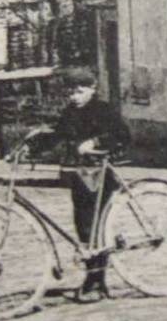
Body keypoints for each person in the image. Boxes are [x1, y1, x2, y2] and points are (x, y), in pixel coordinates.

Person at [53, 68, 130, 300]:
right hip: (80, 175)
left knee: (99, 227)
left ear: (92, 89)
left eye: (79, 91)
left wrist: (95, 141)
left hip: (103, 174)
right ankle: (91, 276)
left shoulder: (104, 110)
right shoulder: (68, 113)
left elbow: (123, 136)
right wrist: (32, 143)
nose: (74, 96)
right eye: (70, 92)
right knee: (83, 226)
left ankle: (97, 281)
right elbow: (58, 135)